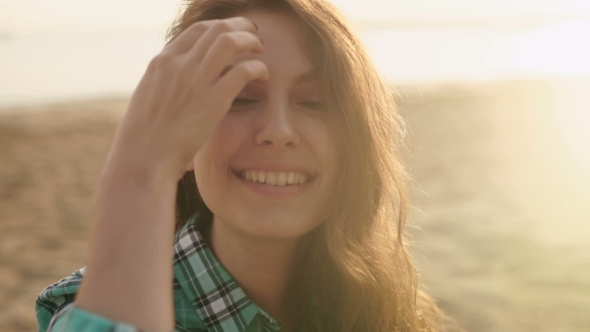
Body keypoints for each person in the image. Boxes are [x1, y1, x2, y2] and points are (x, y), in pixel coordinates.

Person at [36, 0, 448, 331]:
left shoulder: (378, 296)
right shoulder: (94, 310)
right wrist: (142, 171)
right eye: (240, 98)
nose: (278, 130)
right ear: (183, 132)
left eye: (315, 101)